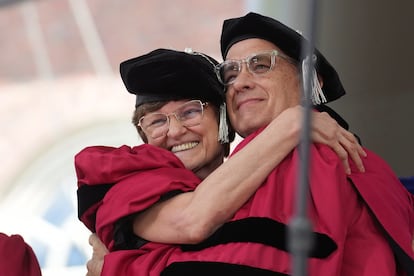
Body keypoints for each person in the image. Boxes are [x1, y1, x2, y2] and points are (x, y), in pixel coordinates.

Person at [91, 12, 413, 275]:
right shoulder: (280, 154)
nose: (240, 83)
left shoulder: (306, 155)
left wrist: (116, 268)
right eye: (230, 74)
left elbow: (255, 264)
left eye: (261, 65)